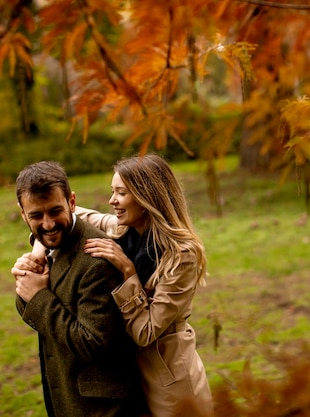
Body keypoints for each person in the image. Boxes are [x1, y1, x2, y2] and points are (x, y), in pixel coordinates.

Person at [15, 154, 214, 417]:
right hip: (129, 372)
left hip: (167, 377)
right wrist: (39, 249)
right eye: (112, 191)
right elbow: (62, 215)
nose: (112, 201)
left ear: (147, 197)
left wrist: (129, 273)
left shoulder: (181, 255)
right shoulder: (122, 228)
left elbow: (145, 331)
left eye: (121, 193)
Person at [11, 161, 147, 417]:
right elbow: (34, 307)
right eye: (36, 216)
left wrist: (38, 296)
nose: (48, 224)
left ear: (72, 202)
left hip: (101, 408)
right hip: (66, 395)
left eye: (55, 211)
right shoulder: (47, 247)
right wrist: (27, 281)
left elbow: (92, 343)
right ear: (22, 213)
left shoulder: (96, 260)